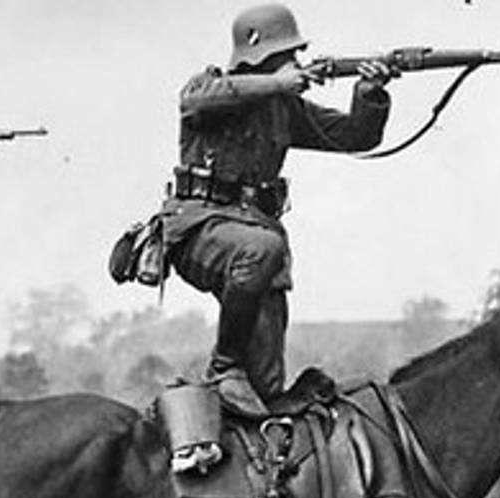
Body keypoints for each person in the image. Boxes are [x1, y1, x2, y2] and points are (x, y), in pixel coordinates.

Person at [161, 3, 395, 473]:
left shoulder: (283, 110)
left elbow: (354, 136)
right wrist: (279, 84)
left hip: (256, 247)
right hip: (200, 229)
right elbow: (195, 100)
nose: (295, 61)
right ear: (258, 55)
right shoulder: (211, 87)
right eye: (286, 54)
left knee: (266, 391)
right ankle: (223, 367)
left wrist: (369, 93)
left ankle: (233, 465)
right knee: (262, 249)